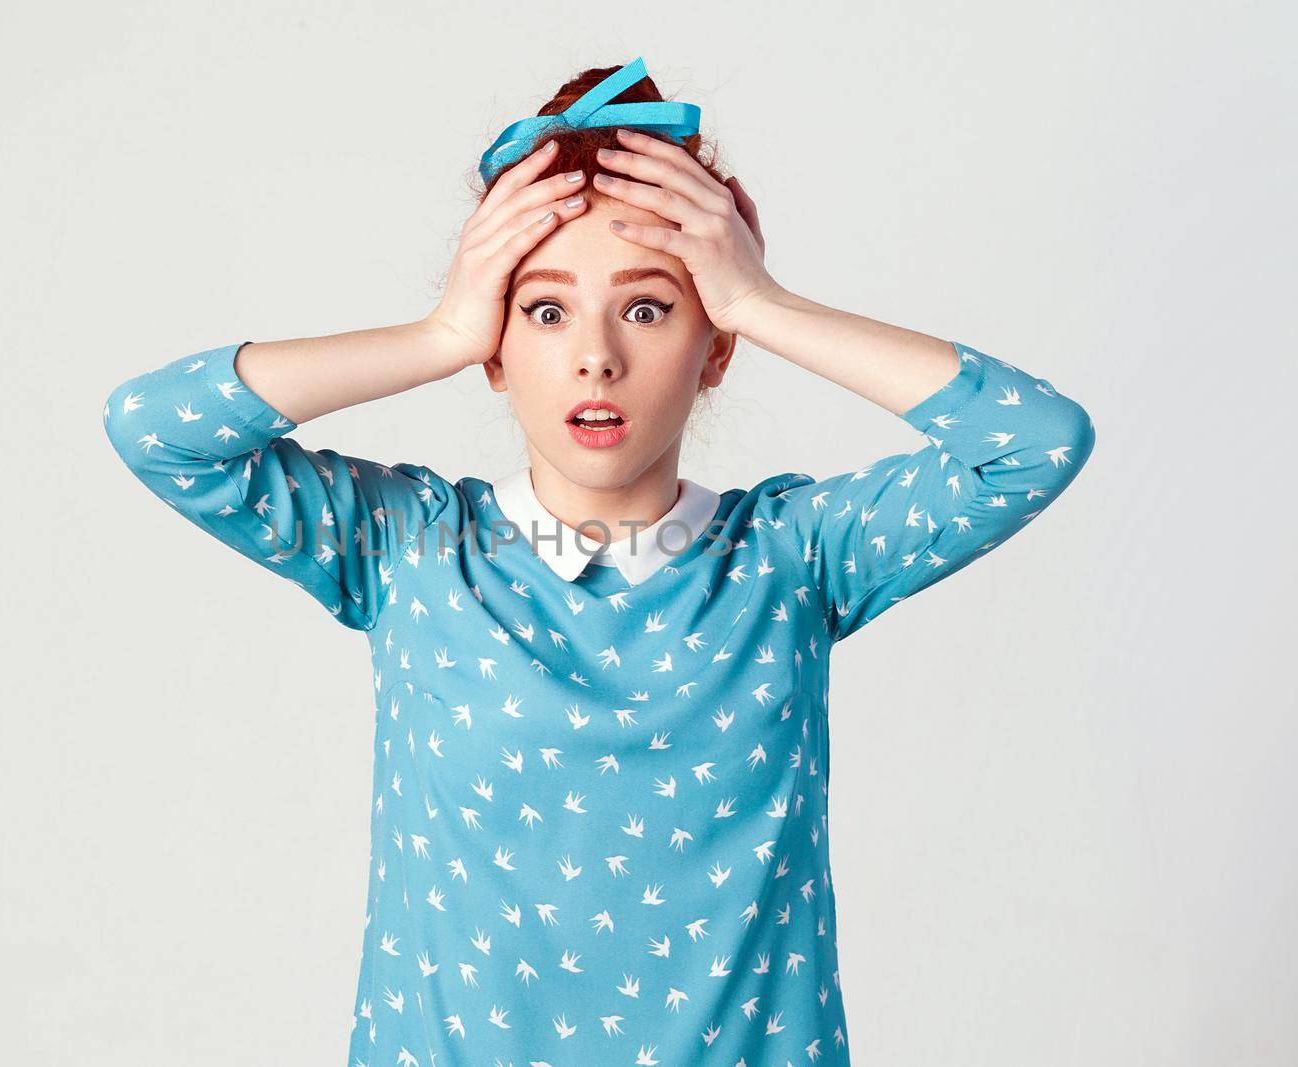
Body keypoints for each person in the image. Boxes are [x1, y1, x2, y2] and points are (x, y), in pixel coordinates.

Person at [102, 57, 1096, 1067]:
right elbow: (158, 428)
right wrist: (439, 330)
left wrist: (760, 300)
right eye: (542, 310)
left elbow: (1034, 441)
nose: (595, 357)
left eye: (649, 308)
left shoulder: (793, 558)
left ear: (713, 350)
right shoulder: (408, 548)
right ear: (497, 346)